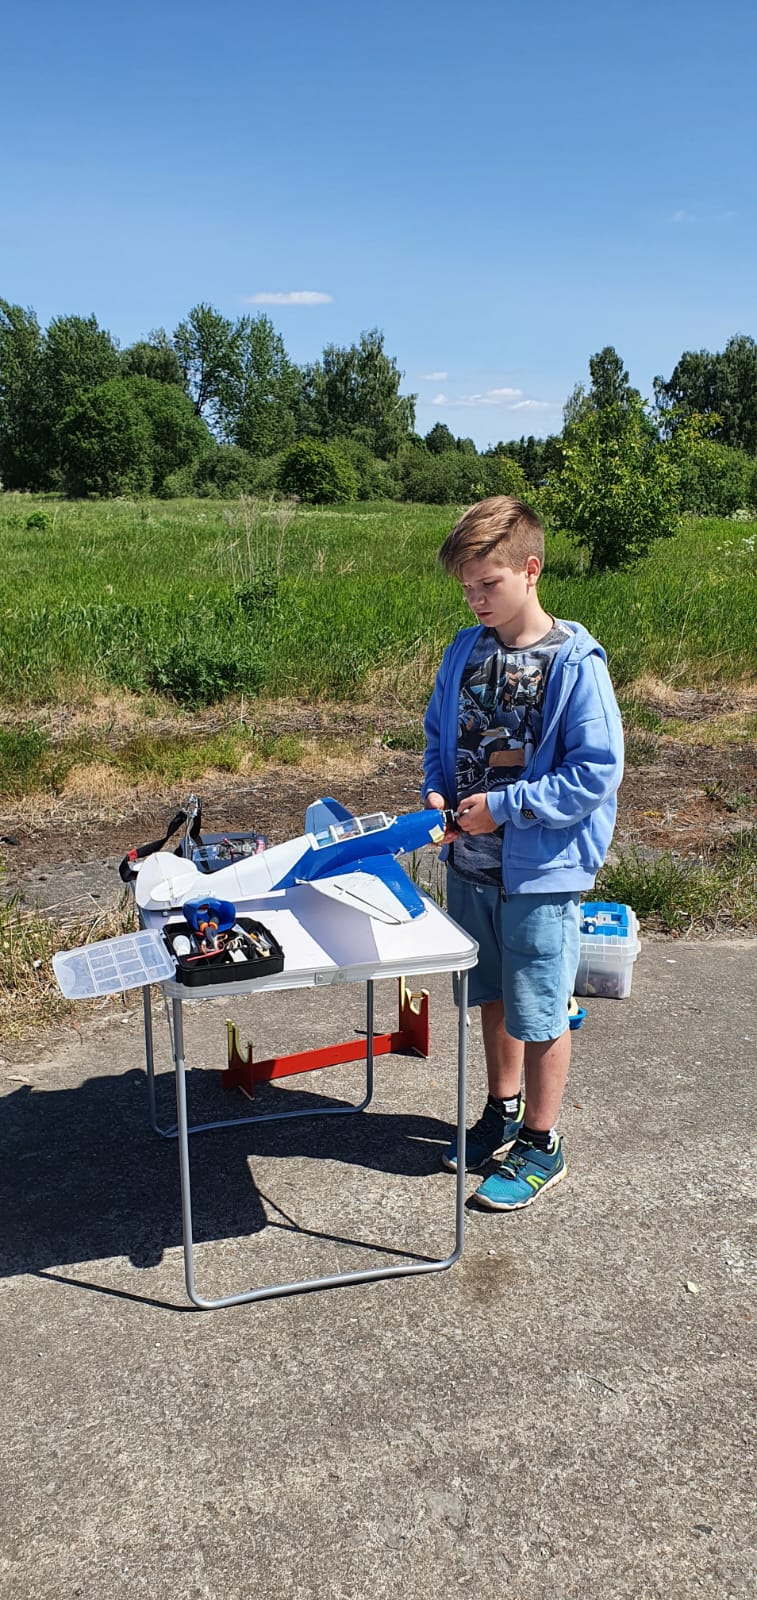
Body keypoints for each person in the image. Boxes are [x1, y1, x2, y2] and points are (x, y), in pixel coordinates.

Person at [423, 496, 624, 1211]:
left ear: (530, 570)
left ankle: (543, 1141)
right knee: (491, 995)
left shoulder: (574, 662)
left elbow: (595, 772)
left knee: (539, 1008)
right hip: (471, 865)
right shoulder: (463, 651)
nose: (476, 599)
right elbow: (437, 738)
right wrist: (436, 791)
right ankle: (501, 1110)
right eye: (466, 588)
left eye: (489, 584)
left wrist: (503, 808)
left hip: (541, 875)